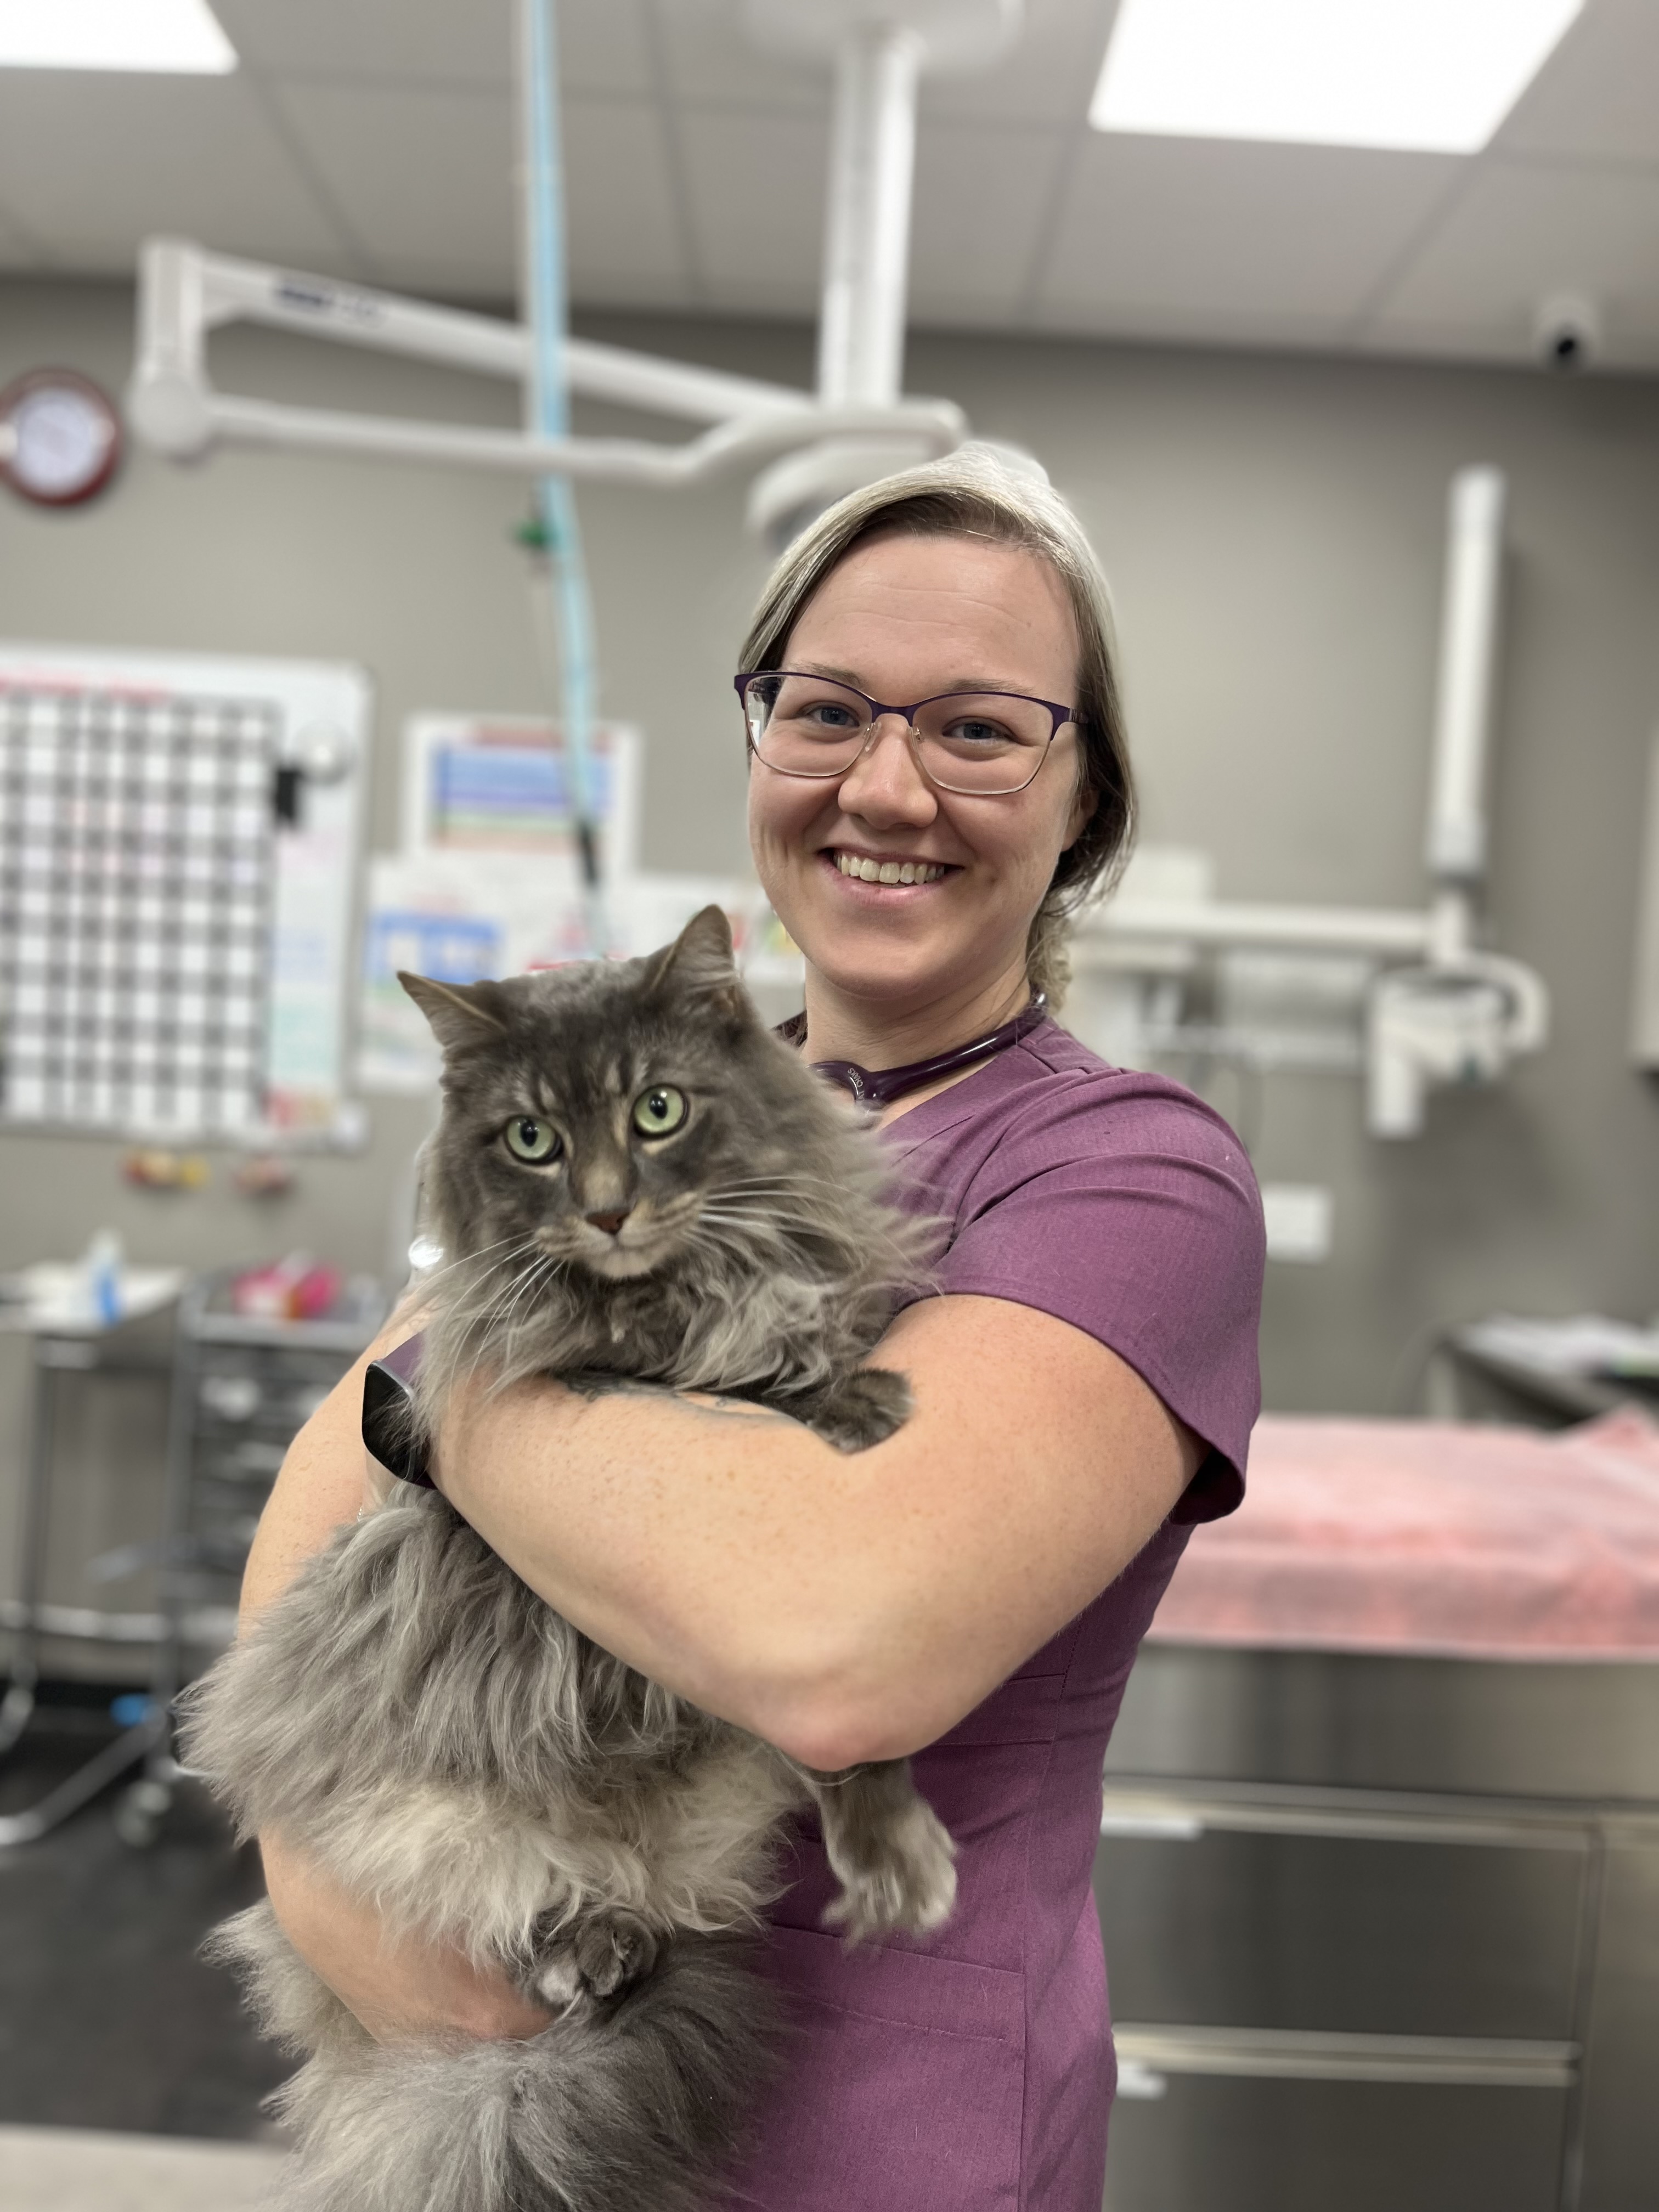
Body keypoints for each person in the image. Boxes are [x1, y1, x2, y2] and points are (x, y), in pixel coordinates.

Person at [242, 447, 1264, 2211]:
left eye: (978, 729)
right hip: (489, 2059)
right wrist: (328, 1885)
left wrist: (465, 1376)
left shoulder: (1130, 1177)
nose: (889, 782)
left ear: (1083, 800)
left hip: (867, 2128)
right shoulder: (636, 1079)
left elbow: (832, 1640)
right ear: (759, 745)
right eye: (828, 709)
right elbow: (306, 1551)